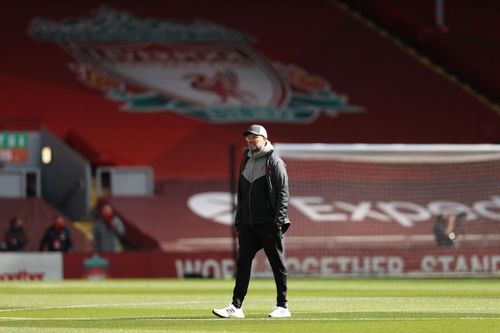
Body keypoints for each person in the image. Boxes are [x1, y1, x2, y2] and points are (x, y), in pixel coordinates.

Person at [213, 124, 292, 319]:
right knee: (243, 263)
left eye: (254, 138)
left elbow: (283, 194)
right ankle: (236, 306)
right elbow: (241, 193)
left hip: (268, 223)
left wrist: (278, 221)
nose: (250, 141)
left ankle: (283, 306)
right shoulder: (245, 160)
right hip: (248, 224)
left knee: (276, 263)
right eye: (248, 138)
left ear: (264, 139)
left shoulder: (275, 162)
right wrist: (239, 221)